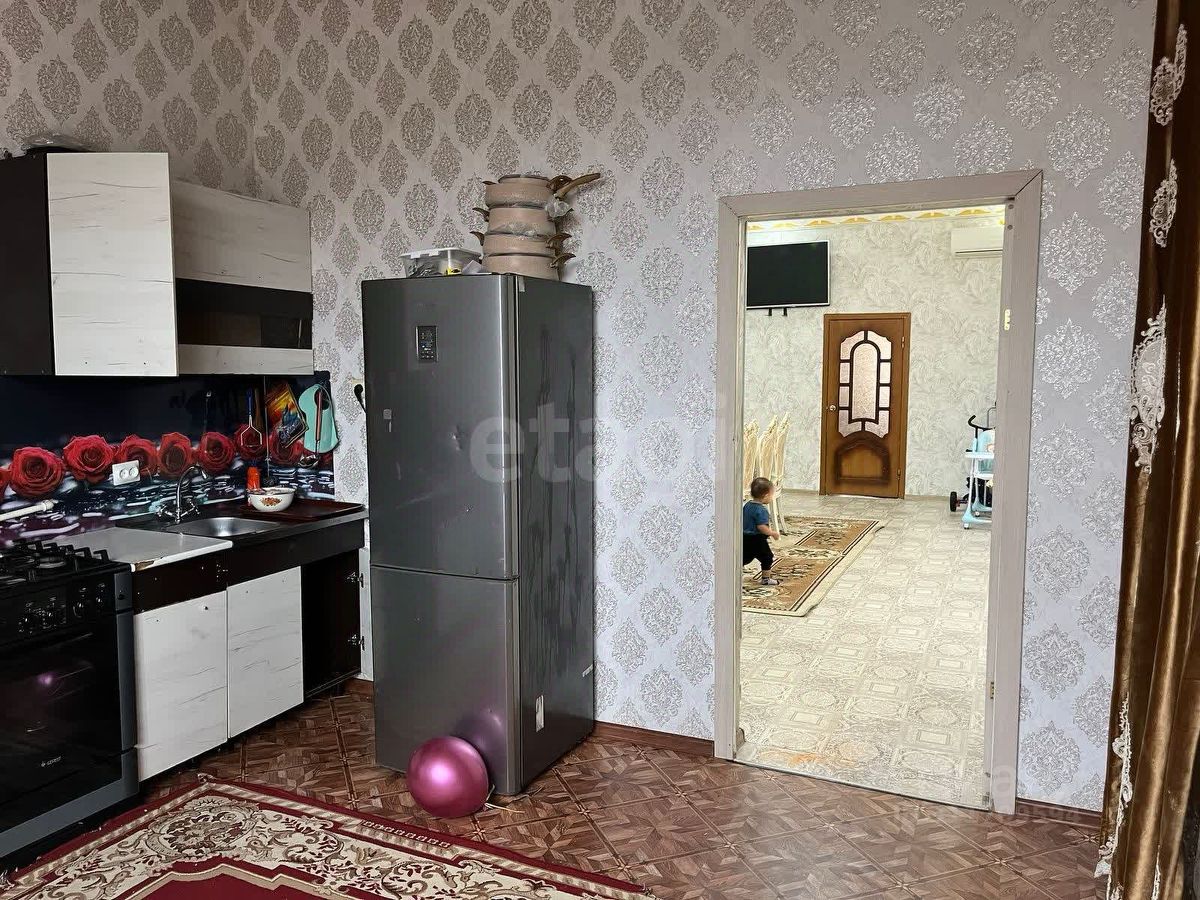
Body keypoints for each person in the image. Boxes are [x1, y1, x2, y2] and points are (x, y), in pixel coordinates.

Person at [743, 476, 781, 586]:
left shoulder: (747, 505)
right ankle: (766, 579)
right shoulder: (761, 510)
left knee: (744, 557)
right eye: (771, 495)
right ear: (765, 496)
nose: (771, 498)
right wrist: (772, 533)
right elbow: (761, 527)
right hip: (757, 539)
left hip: (744, 536)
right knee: (767, 557)